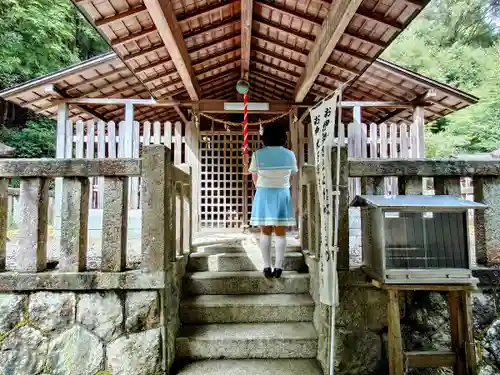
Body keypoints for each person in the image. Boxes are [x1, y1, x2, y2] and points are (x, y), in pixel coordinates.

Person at [249, 123, 298, 279]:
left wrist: (261, 187)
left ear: (265, 137)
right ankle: (278, 267)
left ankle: (266, 266)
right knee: (280, 233)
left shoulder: (258, 154)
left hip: (263, 193)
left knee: (265, 232)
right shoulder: (290, 154)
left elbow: (254, 177)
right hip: (282, 194)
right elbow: (291, 176)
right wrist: (283, 185)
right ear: (283, 137)